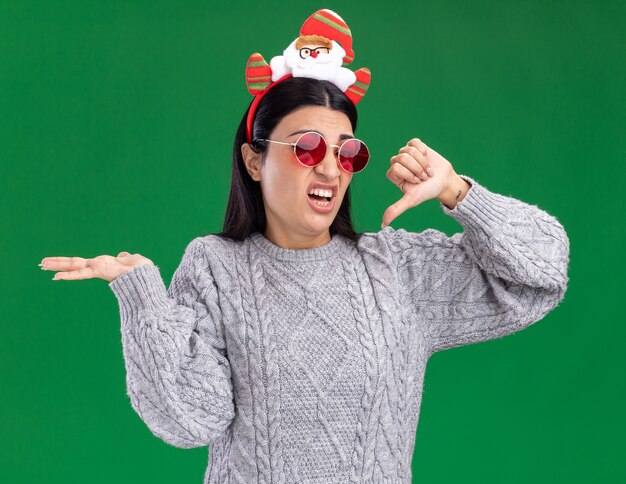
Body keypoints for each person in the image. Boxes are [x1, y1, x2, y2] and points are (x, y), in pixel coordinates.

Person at [39, 9, 570, 484]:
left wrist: (459, 193)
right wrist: (143, 301)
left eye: (348, 152)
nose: (328, 167)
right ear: (254, 161)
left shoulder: (397, 271)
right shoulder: (215, 268)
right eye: (307, 146)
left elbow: (543, 274)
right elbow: (190, 420)